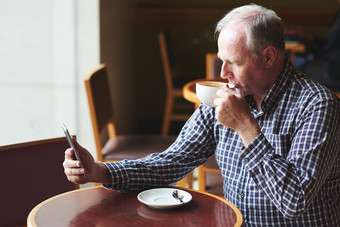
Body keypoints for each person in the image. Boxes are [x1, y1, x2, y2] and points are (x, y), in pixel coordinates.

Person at [63, 4, 340, 226]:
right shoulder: (225, 94)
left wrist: (246, 127)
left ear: (269, 57)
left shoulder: (317, 105)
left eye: (235, 62)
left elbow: (294, 202)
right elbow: (172, 162)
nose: (222, 73)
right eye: (222, 60)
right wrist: (101, 170)